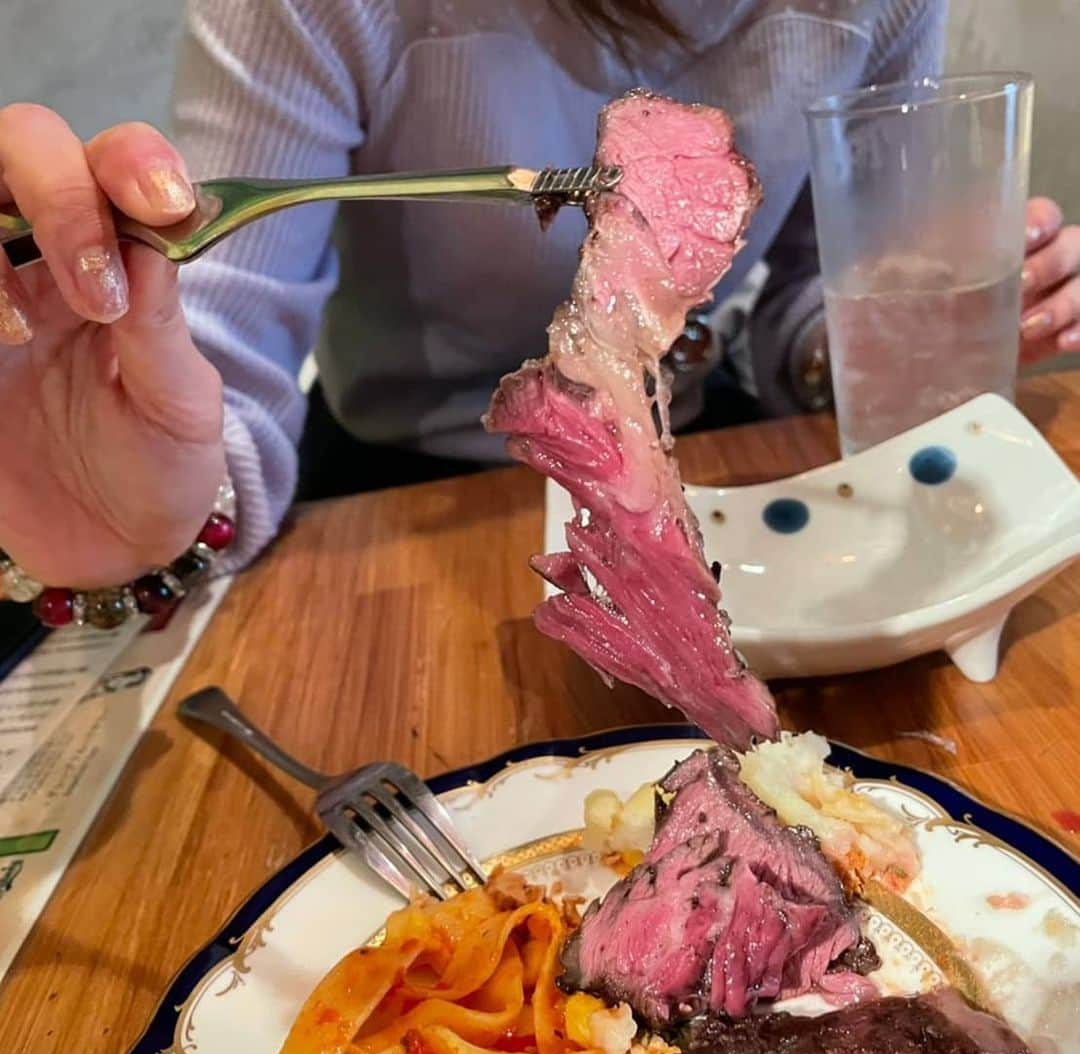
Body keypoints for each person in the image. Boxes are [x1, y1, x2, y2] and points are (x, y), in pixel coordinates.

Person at [0, 0, 1077, 624]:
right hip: (407, 491)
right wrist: (163, 497)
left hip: (706, 458)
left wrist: (906, 334)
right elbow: (226, 344)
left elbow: (804, 294)